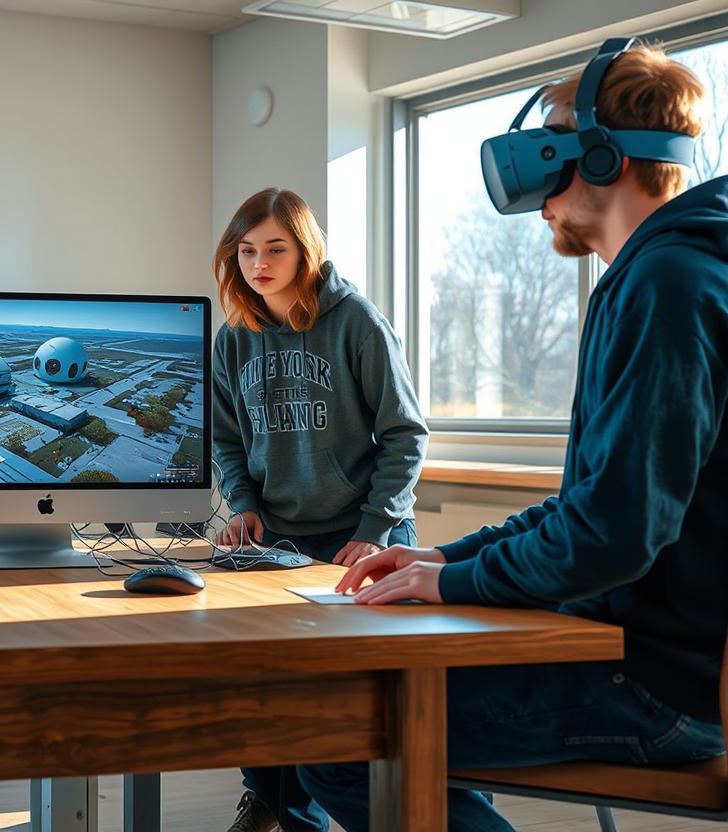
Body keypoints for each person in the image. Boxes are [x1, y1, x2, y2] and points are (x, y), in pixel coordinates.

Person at [307, 40, 728, 832]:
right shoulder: (665, 273)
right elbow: (587, 509)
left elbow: (610, 538)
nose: (533, 186)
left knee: (336, 732)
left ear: (600, 155)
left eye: (551, 143)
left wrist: (451, 585)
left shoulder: (669, 285)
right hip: (645, 656)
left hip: (654, 685)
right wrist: (442, 559)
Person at [210, 188, 428, 832]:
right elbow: (225, 437)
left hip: (362, 534)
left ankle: (362, 807)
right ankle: (272, 801)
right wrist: (243, 504)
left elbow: (405, 433)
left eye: (275, 248)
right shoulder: (234, 338)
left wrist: (374, 528)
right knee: (265, 680)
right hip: (275, 536)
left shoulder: (355, 320)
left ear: (306, 251)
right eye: (246, 251)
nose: (259, 264)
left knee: (348, 698)